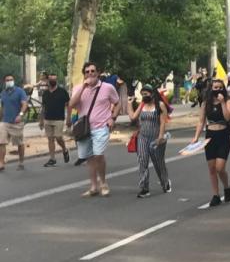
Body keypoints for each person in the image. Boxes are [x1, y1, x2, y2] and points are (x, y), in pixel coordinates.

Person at [69, 63, 120, 195]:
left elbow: (117, 102)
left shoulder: (108, 88)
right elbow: (72, 104)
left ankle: (103, 182)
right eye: (87, 72)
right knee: (89, 158)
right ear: (84, 74)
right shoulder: (78, 88)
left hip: (101, 126)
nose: (90, 73)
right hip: (84, 128)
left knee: (98, 155)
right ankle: (93, 186)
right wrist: (83, 88)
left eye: (93, 71)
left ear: (98, 73)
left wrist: (113, 118)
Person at [191, 78, 230, 207]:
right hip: (210, 136)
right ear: (211, 89)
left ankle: (226, 187)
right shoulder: (206, 103)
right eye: (215, 87)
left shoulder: (227, 101)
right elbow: (201, 121)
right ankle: (215, 195)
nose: (218, 90)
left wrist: (222, 103)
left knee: (220, 167)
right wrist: (196, 137)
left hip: (223, 135)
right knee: (211, 168)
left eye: (220, 87)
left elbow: (228, 117)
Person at [130, 84, 171, 197]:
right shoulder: (142, 104)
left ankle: (165, 182)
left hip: (156, 138)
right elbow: (133, 117)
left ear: (152, 94)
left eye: (146, 94)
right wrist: (129, 104)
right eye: (142, 94)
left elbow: (163, 122)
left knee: (158, 162)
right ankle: (144, 188)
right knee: (142, 161)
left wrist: (160, 137)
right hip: (142, 137)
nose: (144, 96)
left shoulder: (160, 105)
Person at [39, 73, 71, 167]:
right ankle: (52, 159)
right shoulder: (45, 93)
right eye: (51, 79)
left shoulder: (62, 91)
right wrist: (41, 120)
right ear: (48, 81)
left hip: (59, 119)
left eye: (54, 79)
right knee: (50, 139)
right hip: (47, 119)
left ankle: (64, 149)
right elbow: (43, 107)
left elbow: (69, 105)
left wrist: (68, 117)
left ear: (56, 80)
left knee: (58, 137)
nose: (53, 81)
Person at [0, 74, 29, 171]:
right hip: (5, 122)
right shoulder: (3, 93)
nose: (9, 81)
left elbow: (24, 104)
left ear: (14, 80)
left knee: (19, 143)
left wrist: (20, 115)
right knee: (1, 142)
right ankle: (1, 163)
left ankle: (21, 162)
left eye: (11, 79)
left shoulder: (20, 91)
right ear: (5, 82)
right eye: (7, 80)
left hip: (16, 122)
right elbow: (2, 107)